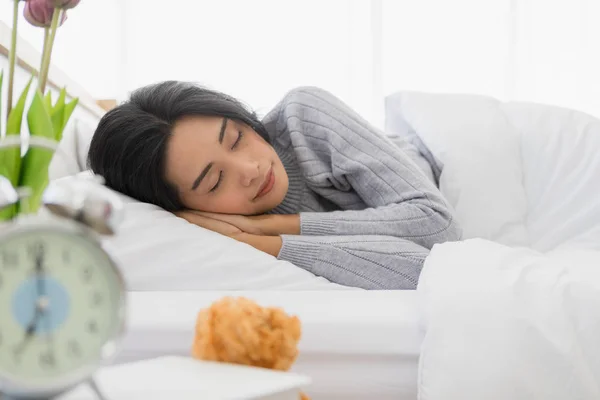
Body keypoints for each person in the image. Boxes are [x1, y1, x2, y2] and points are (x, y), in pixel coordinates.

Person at [87, 81, 462, 289]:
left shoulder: (305, 116)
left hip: (444, 159)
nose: (250, 168)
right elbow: (424, 269)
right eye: (215, 181)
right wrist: (261, 245)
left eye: (235, 138)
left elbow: (440, 230)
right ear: (184, 207)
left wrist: (266, 227)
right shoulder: (215, 239)